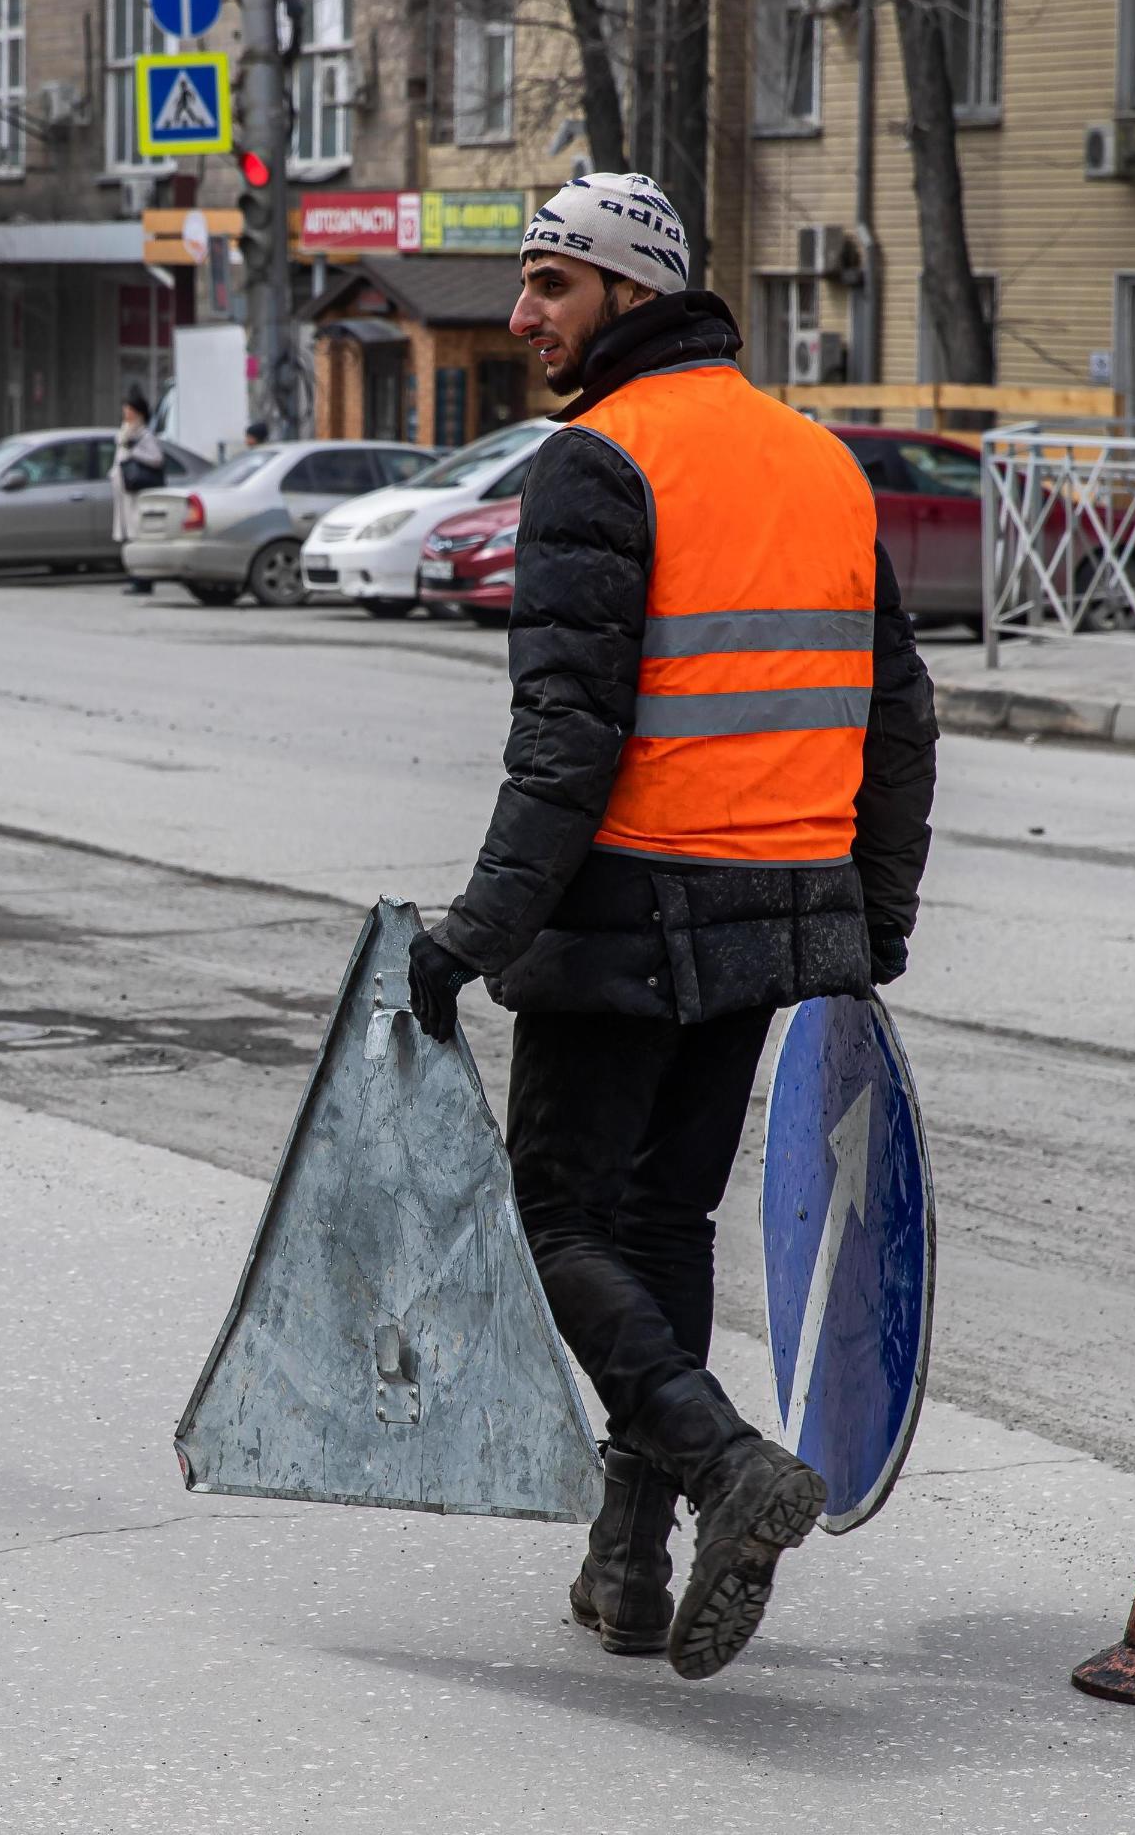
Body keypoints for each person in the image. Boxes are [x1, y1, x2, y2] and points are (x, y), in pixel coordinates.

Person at [404, 171, 938, 1682]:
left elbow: (563, 743)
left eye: (553, 286)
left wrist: (473, 933)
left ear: (630, 298)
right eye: (525, 282)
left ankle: (719, 1465)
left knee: (557, 1215)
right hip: (778, 914)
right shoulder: (820, 459)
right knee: (663, 1224)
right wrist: (872, 917)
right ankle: (626, 1565)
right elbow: (900, 719)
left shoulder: (596, 462)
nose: (524, 315)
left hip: (631, 899)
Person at [114, 389, 169, 595]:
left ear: (139, 413)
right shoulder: (125, 432)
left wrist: (134, 450)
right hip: (125, 493)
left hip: (138, 493)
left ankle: (142, 580)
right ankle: (134, 576)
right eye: (125, 409)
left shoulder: (144, 435)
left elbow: (156, 459)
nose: (126, 413)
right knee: (129, 534)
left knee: (138, 534)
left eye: (129, 409)